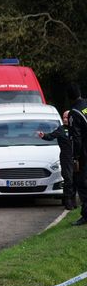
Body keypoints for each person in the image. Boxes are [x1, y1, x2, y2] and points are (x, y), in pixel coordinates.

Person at [37, 110, 76, 210]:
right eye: (64, 118)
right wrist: (44, 135)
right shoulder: (61, 129)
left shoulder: (77, 128)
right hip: (66, 158)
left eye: (67, 117)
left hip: (78, 158)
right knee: (68, 180)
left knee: (77, 180)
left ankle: (74, 201)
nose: (65, 120)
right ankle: (68, 201)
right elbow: (50, 136)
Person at [68, 84, 87, 225]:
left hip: (85, 153)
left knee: (82, 183)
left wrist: (75, 158)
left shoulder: (74, 112)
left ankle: (86, 215)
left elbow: (76, 138)